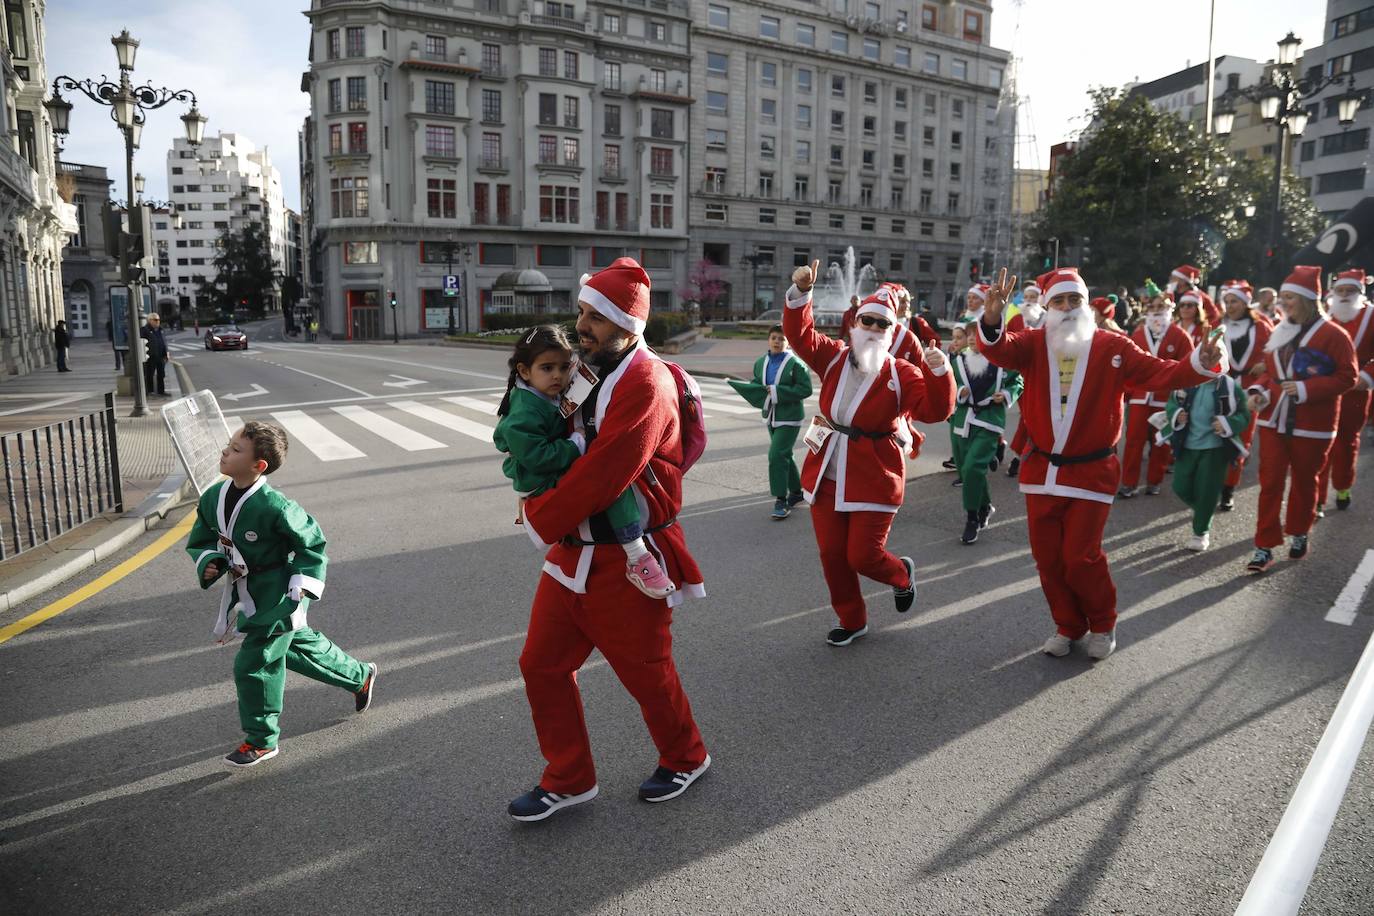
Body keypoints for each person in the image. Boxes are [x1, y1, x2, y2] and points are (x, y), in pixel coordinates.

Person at [513, 257, 710, 822]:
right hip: (574, 551)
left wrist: (539, 514)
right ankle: (569, 777)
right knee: (542, 665)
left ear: (627, 322)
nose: (583, 325)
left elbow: (608, 471)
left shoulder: (646, 381)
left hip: (626, 555)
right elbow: (558, 428)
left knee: (646, 670)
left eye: (595, 315)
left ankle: (686, 756)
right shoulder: (592, 367)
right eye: (582, 312)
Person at [975, 266, 1227, 660]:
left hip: (1091, 472)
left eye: (1074, 299)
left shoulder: (1113, 346)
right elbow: (997, 348)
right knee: (1048, 559)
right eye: (1058, 300)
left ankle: (1103, 622)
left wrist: (1200, 362)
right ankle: (1068, 625)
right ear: (1047, 307)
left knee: (1080, 556)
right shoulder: (1033, 343)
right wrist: (992, 317)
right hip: (1042, 471)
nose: (1067, 307)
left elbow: (1161, 373)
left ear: (1086, 303)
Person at [185, 421, 378, 768]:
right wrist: (211, 561)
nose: (225, 451)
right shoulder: (213, 497)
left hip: (278, 594)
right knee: (294, 647)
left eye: (236, 449)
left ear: (258, 466)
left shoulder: (276, 506)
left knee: (254, 663)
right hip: (246, 590)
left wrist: (301, 584)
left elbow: (312, 543)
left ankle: (261, 740)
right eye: (229, 445)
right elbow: (201, 539)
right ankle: (359, 675)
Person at [784, 263, 954, 647]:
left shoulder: (902, 372)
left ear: (892, 331)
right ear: (854, 324)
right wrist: (801, 293)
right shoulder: (832, 357)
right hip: (827, 468)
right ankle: (852, 618)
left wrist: (940, 371)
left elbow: (936, 411)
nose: (874, 329)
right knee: (832, 556)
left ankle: (901, 575)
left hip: (875, 474)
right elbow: (799, 333)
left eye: (883, 324)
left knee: (863, 556)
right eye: (868, 321)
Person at [494, 324, 674, 597]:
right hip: (540, 476)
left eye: (563, 367)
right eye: (547, 368)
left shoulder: (540, 394)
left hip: (540, 472)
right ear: (524, 371)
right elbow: (539, 457)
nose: (558, 375)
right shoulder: (524, 412)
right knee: (612, 483)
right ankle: (637, 555)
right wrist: (576, 443)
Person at [1243, 266, 1358, 574]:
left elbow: (1348, 377)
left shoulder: (1335, 335)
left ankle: (1299, 531)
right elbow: (1270, 372)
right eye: (1283, 297)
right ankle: (1264, 546)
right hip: (1272, 420)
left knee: (1305, 483)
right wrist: (1257, 392)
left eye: (1290, 298)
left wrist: (1307, 388)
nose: (1284, 303)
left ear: (1308, 300)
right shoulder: (1280, 329)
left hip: (1313, 424)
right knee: (1269, 482)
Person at [1159, 366, 1252, 550]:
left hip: (1215, 449)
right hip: (1186, 445)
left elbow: (1244, 415)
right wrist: (1177, 415)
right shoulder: (1186, 382)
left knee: (1207, 490)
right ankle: (1204, 510)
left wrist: (1227, 423)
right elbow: (1171, 404)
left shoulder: (1231, 387)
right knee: (1180, 487)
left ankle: (1200, 532)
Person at [948, 317, 1022, 544]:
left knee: (973, 467)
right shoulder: (957, 361)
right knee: (967, 470)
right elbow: (950, 383)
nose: (971, 338)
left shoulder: (1002, 362)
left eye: (976, 334)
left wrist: (1007, 394)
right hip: (961, 420)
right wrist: (959, 391)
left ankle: (972, 518)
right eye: (969, 334)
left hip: (989, 420)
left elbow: (1017, 381)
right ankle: (985, 506)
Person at [728, 324, 812, 519]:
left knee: (776, 455)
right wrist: (748, 389)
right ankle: (797, 492)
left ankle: (781, 499)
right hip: (771, 415)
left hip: (790, 417)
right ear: (768, 340)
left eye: (781, 339)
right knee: (784, 455)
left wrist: (776, 392)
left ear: (788, 342)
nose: (777, 341)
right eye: (774, 337)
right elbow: (758, 384)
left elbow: (805, 389)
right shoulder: (760, 363)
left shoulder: (796, 364)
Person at [1119, 294, 1193, 497]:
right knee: (1133, 440)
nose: (1157, 310)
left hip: (1166, 399)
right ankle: (1129, 482)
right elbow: (1128, 366)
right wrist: (1128, 392)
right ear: (1147, 310)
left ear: (1170, 308)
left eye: (1162, 306)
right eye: (1153, 306)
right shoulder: (1139, 334)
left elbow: (1188, 367)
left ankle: (1154, 480)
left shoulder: (1180, 336)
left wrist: (1181, 398)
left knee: (1161, 440)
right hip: (1140, 397)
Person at [1316, 270, 1374, 512]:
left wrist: (1368, 375)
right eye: (1340, 290)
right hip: (1324, 388)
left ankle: (1342, 485)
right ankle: (1317, 498)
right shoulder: (1324, 315)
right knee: (1318, 442)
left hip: (1356, 390)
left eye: (1350, 291)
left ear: (1360, 293)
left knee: (1346, 441)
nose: (1344, 295)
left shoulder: (1371, 316)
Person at [1216, 279, 1273, 512]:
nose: (1230, 306)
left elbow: (1276, 353)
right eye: (1227, 302)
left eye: (1235, 302)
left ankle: (1229, 489)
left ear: (1245, 303)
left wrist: (1264, 363)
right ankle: (1215, 482)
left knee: (1240, 439)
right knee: (1218, 435)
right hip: (1221, 387)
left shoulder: (1262, 326)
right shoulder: (1218, 324)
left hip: (1249, 388)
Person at [1004, 284, 1047, 478]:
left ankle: (1028, 454)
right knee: (1028, 416)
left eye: (1033, 297)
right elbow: (1005, 346)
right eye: (1027, 297)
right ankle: (1019, 455)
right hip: (1022, 377)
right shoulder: (1015, 319)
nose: (1029, 300)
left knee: (1040, 417)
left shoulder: (1050, 319)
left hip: (1047, 377)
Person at [140, 312, 169, 396]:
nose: (158, 321)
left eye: (159, 320)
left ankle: (161, 391)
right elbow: (142, 342)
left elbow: (164, 342)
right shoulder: (145, 330)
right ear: (149, 320)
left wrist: (166, 352)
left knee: (161, 374)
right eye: (155, 320)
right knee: (150, 374)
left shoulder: (160, 330)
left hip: (161, 356)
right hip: (150, 356)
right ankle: (150, 391)